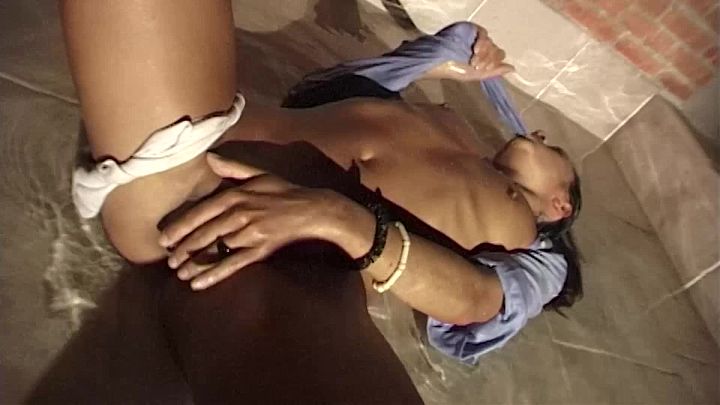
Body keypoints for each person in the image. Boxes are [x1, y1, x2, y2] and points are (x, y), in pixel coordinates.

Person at [63, 3, 579, 395]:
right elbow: (324, 92)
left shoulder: (542, 254)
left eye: (554, 149)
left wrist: (341, 220)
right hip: (195, 144)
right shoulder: (451, 127)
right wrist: (449, 51)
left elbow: (477, 303)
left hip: (267, 262)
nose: (538, 133)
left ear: (561, 205)